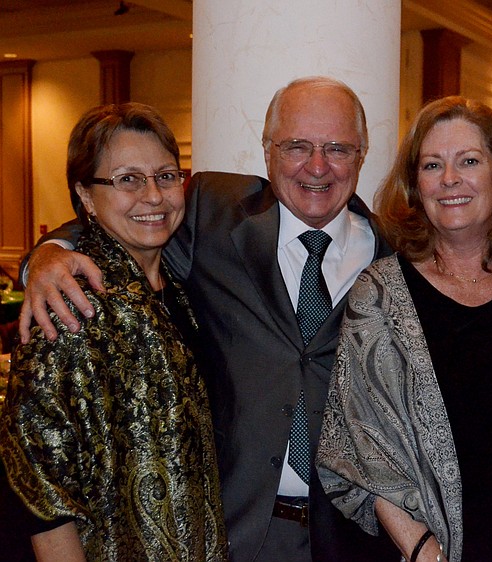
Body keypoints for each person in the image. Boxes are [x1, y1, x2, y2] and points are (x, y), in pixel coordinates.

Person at [18, 78, 397, 562]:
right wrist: (50, 253)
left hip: (347, 539)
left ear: (362, 153)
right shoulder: (210, 210)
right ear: (267, 150)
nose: (317, 166)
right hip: (224, 533)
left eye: (338, 148)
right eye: (297, 146)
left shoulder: (394, 257)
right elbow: (122, 213)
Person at [317, 96, 492, 561]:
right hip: (428, 553)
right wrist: (424, 550)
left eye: (469, 161)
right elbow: (358, 451)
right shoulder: (379, 295)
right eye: (432, 165)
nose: (449, 180)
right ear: (415, 187)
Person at [0, 103, 227, 560]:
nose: (154, 196)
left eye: (166, 175)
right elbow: (40, 484)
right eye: (127, 179)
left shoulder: (180, 291)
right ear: (85, 195)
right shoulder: (69, 304)